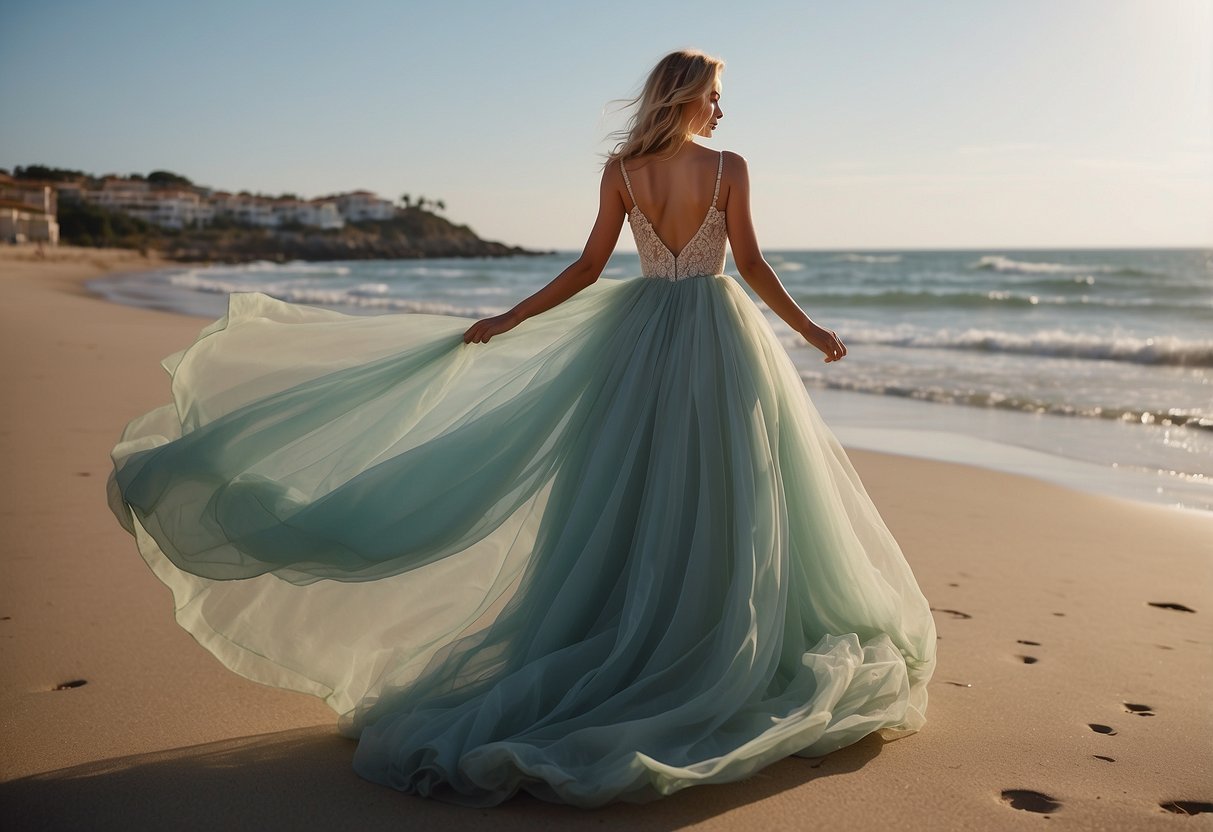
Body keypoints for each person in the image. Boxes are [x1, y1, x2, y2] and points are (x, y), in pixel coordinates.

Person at [106, 48, 936, 809]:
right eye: (716, 97)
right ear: (688, 98)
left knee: (635, 487)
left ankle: (642, 624)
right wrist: (811, 331)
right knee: (732, 487)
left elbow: (586, 267)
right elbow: (748, 266)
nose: (722, 111)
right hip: (718, 340)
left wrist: (508, 317)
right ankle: (710, 638)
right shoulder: (728, 168)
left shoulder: (623, 171)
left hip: (641, 339)